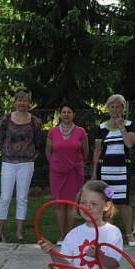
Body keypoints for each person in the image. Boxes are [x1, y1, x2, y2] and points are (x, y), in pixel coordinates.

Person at [0, 87, 42, 243]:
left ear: (29, 103)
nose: (22, 102)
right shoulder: (6, 119)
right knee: (5, 198)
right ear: (15, 102)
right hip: (8, 163)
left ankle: (19, 232)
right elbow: (0, 137)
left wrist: (30, 153)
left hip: (26, 163)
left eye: (25, 100)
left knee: (22, 198)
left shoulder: (35, 121)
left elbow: (38, 140)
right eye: (19, 100)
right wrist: (7, 151)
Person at [91, 94, 135, 246]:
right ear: (108, 108)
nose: (115, 109)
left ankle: (129, 234)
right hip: (106, 171)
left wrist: (122, 127)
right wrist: (94, 172)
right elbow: (97, 151)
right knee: (108, 202)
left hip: (122, 170)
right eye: (112, 106)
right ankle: (110, 235)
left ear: (123, 109)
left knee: (124, 203)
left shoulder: (129, 125)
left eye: (118, 106)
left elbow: (130, 144)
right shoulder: (102, 127)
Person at [45, 103, 89, 243]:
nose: (66, 114)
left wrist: (77, 163)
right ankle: (62, 236)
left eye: (69, 112)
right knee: (59, 204)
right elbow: (48, 152)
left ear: (73, 115)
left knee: (72, 204)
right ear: (60, 114)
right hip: (57, 173)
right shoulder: (52, 132)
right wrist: (55, 165)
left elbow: (86, 152)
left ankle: (70, 236)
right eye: (63, 112)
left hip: (74, 172)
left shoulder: (81, 131)